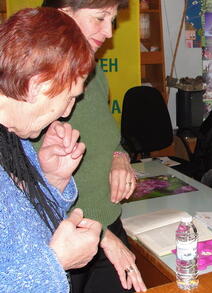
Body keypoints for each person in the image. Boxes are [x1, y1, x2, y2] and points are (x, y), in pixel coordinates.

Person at [39, 1, 146, 292]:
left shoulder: (94, 72)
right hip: (59, 237)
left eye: (112, 20)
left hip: (106, 223)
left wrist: (119, 156)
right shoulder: (31, 80)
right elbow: (27, 189)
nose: (109, 32)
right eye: (99, 18)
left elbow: (105, 136)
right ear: (63, 14)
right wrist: (100, 236)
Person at [0, 8, 102, 292]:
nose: (68, 111)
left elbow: (21, 232)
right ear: (37, 86)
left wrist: (52, 181)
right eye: (69, 97)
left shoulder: (13, 137)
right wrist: (56, 262)